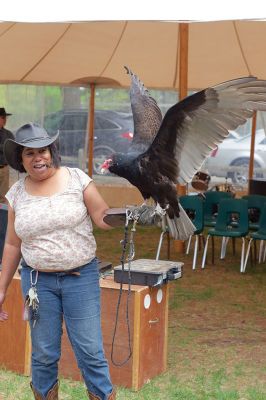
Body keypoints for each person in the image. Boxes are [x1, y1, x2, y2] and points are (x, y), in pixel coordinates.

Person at [0, 122, 116, 400]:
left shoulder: (77, 179)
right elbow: (12, 243)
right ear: (21, 159)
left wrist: (130, 217)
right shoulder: (16, 193)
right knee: (43, 352)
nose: (38, 158)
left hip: (81, 278)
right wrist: (1, 287)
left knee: (89, 350)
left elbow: (102, 216)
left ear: (52, 152)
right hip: (37, 283)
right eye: (29, 153)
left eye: (43, 151)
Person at [0, 107, 14, 203]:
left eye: (5, 117)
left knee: (3, 197)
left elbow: (13, 146)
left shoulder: (8, 134)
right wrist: (4, 146)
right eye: (2, 117)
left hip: (4, 169)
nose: (5, 120)